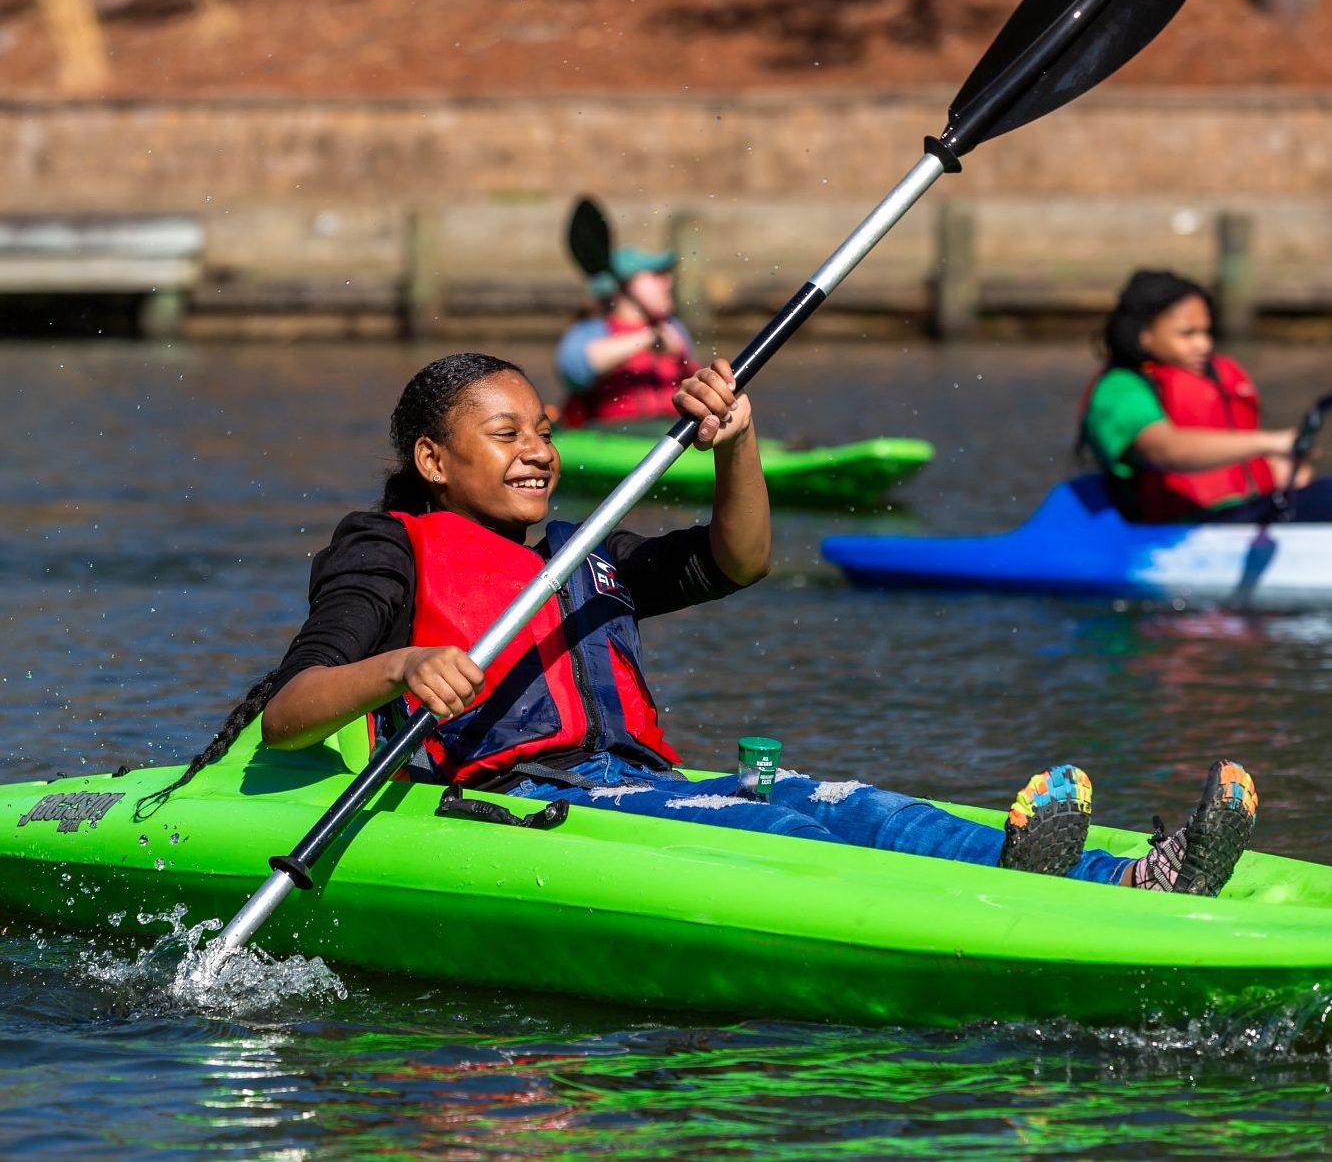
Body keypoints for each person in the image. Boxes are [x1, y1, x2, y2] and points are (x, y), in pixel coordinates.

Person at [141, 352, 1257, 897]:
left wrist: (736, 443)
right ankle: (1050, 888)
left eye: (541, 427)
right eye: (502, 433)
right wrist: (404, 665)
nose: (536, 447)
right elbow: (291, 715)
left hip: (636, 788)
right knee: (807, 835)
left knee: (846, 800)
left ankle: (1104, 879)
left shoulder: (583, 548)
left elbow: (738, 559)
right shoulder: (389, 547)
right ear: (434, 460)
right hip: (519, 805)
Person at [1081, 268, 1332, 523]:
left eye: (1206, 332)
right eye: (1187, 334)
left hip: (1247, 513)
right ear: (1143, 335)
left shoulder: (1215, 375)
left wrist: (1275, 468)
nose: (1204, 344)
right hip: (1181, 529)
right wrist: (1271, 442)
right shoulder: (1119, 389)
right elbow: (1164, 450)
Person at [556, 242, 699, 428]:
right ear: (626, 285)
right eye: (656, 274)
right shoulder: (593, 328)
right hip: (610, 434)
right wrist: (650, 338)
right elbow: (573, 370)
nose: (668, 281)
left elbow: (694, 379)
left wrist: (680, 354)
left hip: (670, 431)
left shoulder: (674, 327)